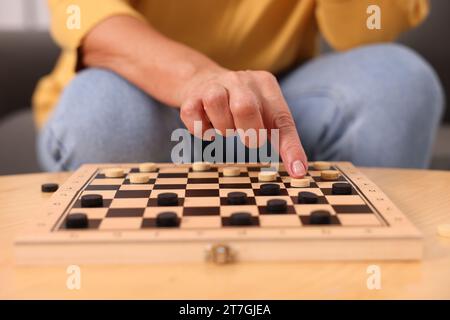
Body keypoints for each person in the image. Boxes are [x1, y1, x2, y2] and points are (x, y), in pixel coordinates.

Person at [35, 0, 444, 176]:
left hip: (281, 109)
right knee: (101, 120)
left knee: (400, 85)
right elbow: (92, 20)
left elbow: (362, 31)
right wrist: (200, 77)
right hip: (138, 91)